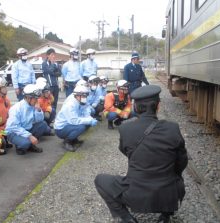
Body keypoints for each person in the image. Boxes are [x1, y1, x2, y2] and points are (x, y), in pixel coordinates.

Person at [95, 85, 188, 223]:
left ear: (136, 107)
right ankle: (165, 216)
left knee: (100, 180)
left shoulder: (125, 128)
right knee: (176, 180)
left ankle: (127, 218)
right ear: (158, 106)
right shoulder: (172, 128)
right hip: (168, 194)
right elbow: (182, 162)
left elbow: (125, 151)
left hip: (135, 195)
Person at [6, 84, 52, 155]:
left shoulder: (32, 105)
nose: (37, 100)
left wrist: (38, 110)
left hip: (26, 129)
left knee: (43, 124)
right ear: (28, 98)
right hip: (14, 132)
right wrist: (29, 136)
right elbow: (14, 127)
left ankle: (30, 145)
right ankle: (20, 146)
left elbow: (39, 120)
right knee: (25, 143)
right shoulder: (16, 108)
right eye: (35, 98)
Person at [54, 85, 97, 152]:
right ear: (77, 95)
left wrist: (89, 118)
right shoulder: (70, 104)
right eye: (83, 96)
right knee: (81, 127)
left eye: (85, 96)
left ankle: (74, 139)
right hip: (61, 129)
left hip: (68, 124)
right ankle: (67, 142)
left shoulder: (78, 100)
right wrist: (89, 121)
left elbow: (85, 109)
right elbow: (74, 120)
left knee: (86, 123)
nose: (84, 98)